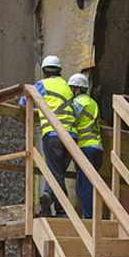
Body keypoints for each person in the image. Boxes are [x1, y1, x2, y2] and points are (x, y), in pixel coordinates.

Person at [20, 55, 77, 217]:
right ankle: (59, 208)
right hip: (71, 135)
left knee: (54, 171)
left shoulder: (42, 85)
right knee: (58, 171)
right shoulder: (67, 87)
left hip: (53, 134)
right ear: (60, 71)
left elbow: (23, 103)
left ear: (44, 71)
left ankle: (48, 196)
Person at [68, 73, 103, 218]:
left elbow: (69, 119)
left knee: (84, 186)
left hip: (85, 147)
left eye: (71, 88)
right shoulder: (93, 103)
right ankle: (92, 216)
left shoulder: (78, 102)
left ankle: (89, 218)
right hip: (97, 147)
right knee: (90, 183)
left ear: (77, 89)